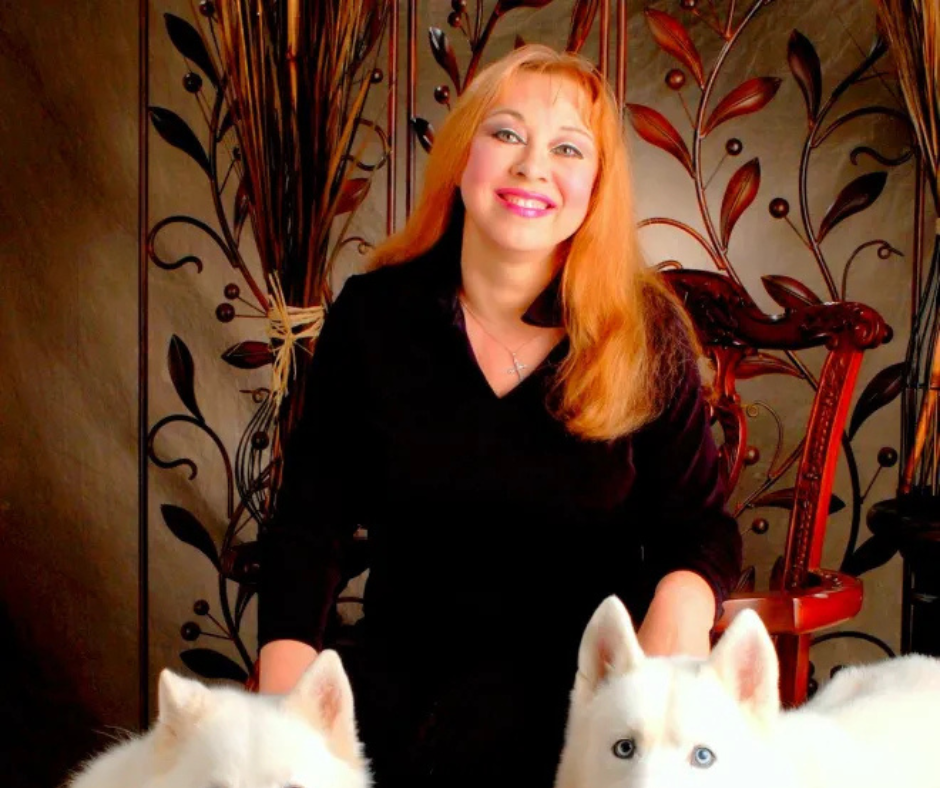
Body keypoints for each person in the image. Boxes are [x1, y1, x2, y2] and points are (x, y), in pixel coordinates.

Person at [258, 44, 741, 788]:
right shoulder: (375, 317)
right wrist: (283, 694)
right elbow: (307, 523)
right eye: (507, 134)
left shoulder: (642, 333)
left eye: (568, 148)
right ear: (461, 159)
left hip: (580, 698)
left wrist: (682, 594)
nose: (532, 167)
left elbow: (701, 526)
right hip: (400, 675)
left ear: (595, 188)